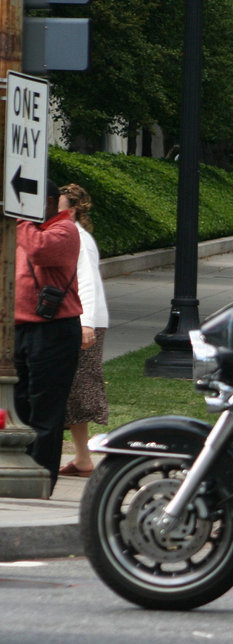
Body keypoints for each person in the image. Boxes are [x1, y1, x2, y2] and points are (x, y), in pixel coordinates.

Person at [14, 180, 82, 491]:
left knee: (45, 412)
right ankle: (18, 472)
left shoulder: (65, 229)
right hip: (19, 329)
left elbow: (40, 251)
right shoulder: (24, 231)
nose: (25, 209)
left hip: (53, 332)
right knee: (16, 408)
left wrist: (19, 217)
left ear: (52, 202)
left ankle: (40, 481)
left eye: (30, 202)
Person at [58, 184, 109, 478]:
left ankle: (83, 458)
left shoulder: (79, 237)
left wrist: (86, 323)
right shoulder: (69, 234)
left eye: (59, 204)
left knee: (80, 387)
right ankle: (81, 458)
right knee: (74, 389)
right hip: (80, 319)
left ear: (72, 209)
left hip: (85, 321)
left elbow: (86, 280)